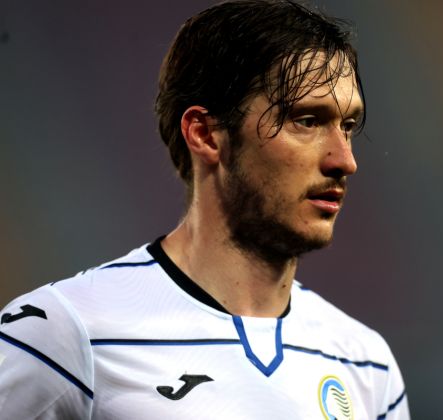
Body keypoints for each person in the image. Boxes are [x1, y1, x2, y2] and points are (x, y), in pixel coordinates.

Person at [0, 1, 409, 418]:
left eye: (347, 126)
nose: (345, 160)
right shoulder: (64, 335)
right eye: (306, 120)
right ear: (206, 134)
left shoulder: (367, 364)